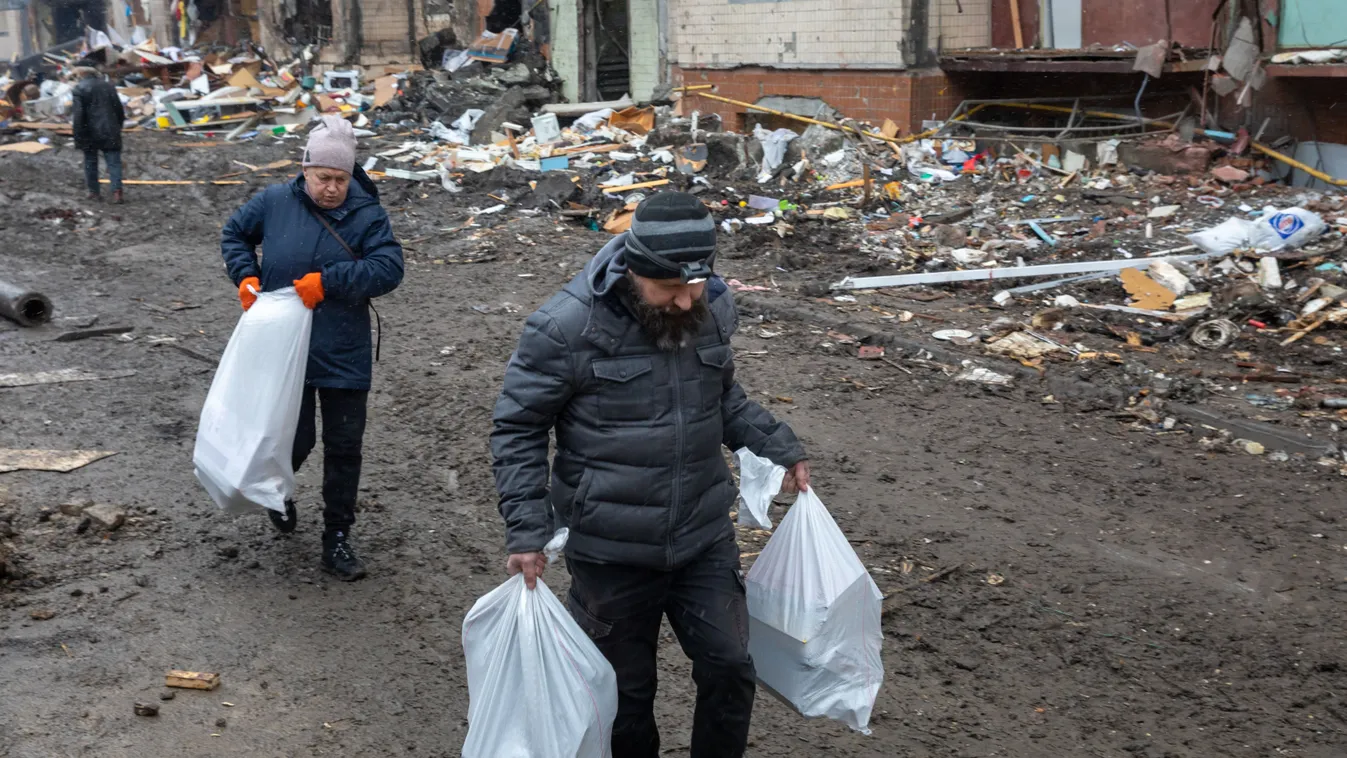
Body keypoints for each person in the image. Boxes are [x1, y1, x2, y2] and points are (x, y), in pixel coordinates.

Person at [491, 192, 810, 758]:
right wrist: (526, 526)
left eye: (696, 286)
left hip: (701, 537)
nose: (688, 302)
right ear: (635, 269)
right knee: (623, 698)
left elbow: (721, 398)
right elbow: (518, 428)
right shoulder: (564, 327)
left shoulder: (710, 304)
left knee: (731, 666)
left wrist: (777, 445)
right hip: (610, 553)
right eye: (670, 290)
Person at [219, 115, 404, 581]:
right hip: (285, 351)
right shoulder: (276, 201)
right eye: (324, 178)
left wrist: (332, 281)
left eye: (341, 179)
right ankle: (279, 493)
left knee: (345, 447)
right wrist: (245, 275)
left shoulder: (367, 213)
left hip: (343, 349)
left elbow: (389, 268)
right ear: (305, 169)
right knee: (292, 440)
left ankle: (337, 538)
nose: (332, 189)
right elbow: (234, 234)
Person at [70, 65, 125, 204]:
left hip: (89, 131)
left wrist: (78, 135)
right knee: (114, 162)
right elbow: (119, 109)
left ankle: (94, 192)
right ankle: (117, 192)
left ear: (81, 73)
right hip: (110, 130)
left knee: (90, 162)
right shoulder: (108, 86)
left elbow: (78, 115)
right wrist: (118, 126)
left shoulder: (79, 89)